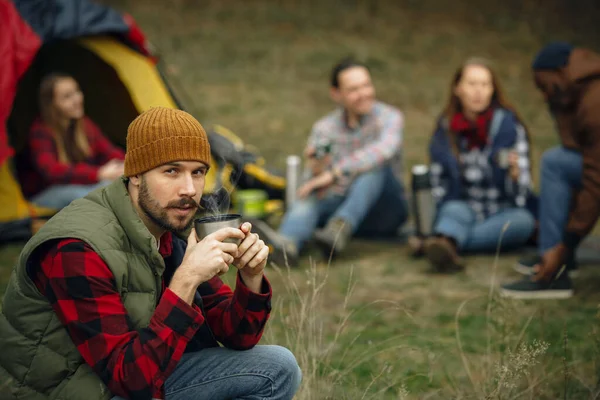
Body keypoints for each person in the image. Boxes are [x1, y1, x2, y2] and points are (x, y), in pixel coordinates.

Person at [0, 107, 301, 400]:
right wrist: (184, 282)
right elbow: (130, 379)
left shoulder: (168, 225)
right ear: (135, 175)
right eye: (171, 171)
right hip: (79, 389)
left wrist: (251, 279)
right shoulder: (76, 249)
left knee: (277, 368)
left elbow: (238, 336)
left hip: (138, 376)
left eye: (198, 173)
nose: (189, 189)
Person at [263, 58, 408, 265]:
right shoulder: (324, 129)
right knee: (310, 194)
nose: (363, 94)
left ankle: (339, 229)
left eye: (366, 85)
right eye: (354, 89)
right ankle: (287, 245)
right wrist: (316, 170)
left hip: (385, 210)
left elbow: (382, 151)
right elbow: (313, 183)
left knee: (374, 169)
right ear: (336, 94)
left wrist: (334, 173)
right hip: (338, 202)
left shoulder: (390, 117)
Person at [413, 57, 536, 271]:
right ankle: (446, 241)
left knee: (523, 222)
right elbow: (438, 183)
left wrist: (515, 175)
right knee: (452, 211)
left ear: (492, 90)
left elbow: (521, 196)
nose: (478, 91)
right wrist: (435, 213)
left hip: (501, 211)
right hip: (462, 206)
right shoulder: (446, 127)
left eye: (485, 85)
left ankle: (445, 243)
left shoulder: (509, 127)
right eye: (472, 84)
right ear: (457, 89)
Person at [501, 42, 600, 299]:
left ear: (559, 72)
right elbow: (578, 149)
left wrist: (565, 244)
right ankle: (555, 256)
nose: (544, 95)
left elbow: (595, 182)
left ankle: (554, 268)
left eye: (544, 86)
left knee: (555, 164)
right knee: (558, 160)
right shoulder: (579, 89)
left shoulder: (594, 103)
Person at [18, 73, 125, 210]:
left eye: (77, 92)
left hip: (78, 185)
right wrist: (98, 173)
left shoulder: (84, 124)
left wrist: (128, 164)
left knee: (115, 186)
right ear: (52, 104)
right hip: (43, 194)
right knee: (90, 196)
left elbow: (108, 151)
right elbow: (52, 171)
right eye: (67, 97)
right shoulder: (40, 131)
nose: (77, 100)